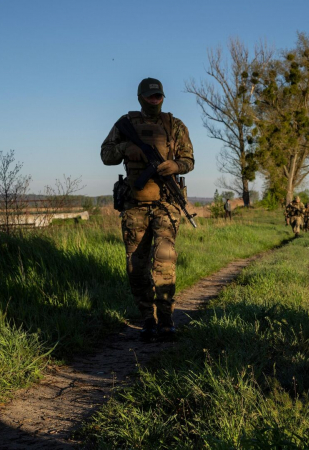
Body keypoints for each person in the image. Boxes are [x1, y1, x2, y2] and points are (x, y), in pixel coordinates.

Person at [100, 77, 195, 341]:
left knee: (165, 260)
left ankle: (166, 319)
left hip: (166, 204)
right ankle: (147, 319)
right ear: (141, 97)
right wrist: (127, 148)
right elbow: (106, 155)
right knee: (136, 266)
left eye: (159, 96)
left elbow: (189, 160)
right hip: (134, 206)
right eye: (150, 96)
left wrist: (175, 167)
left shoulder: (175, 125)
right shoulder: (126, 124)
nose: (155, 100)